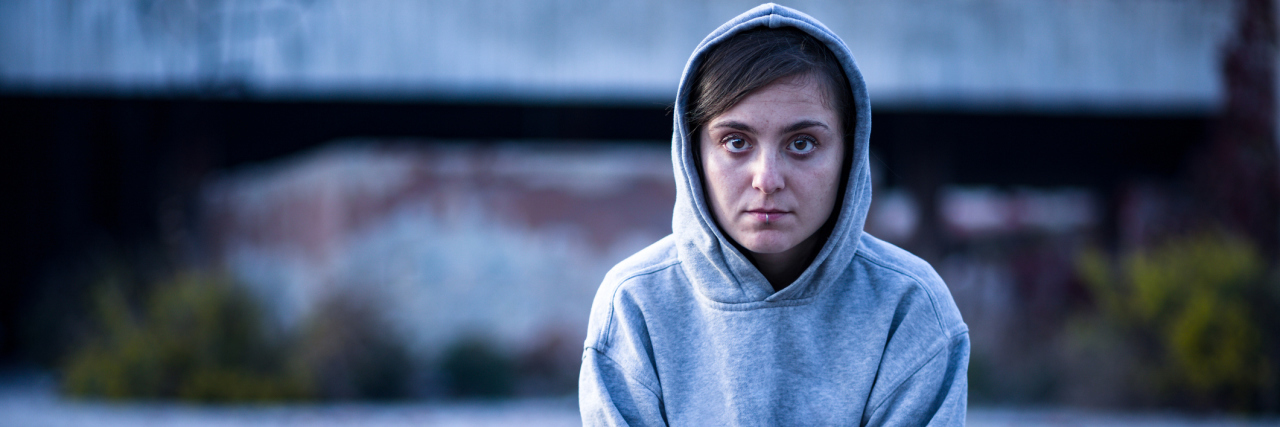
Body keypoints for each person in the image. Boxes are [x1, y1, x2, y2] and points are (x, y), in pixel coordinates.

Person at [579, 4, 968, 425]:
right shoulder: (636, 303)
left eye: (801, 144)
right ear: (694, 155)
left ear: (850, 154)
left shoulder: (909, 306)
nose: (767, 179)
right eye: (735, 142)